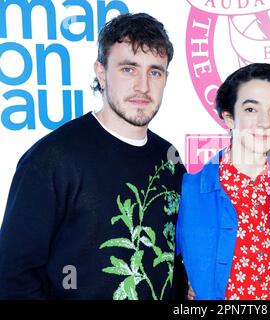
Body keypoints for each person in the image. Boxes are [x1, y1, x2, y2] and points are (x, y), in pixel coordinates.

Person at [0, 13, 186, 300]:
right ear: (101, 73)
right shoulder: (53, 158)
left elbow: (174, 260)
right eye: (128, 69)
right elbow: (13, 276)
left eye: (154, 71)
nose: (143, 86)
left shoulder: (171, 159)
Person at [177, 63, 270, 300]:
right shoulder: (189, 190)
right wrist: (181, 283)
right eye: (251, 110)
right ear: (229, 117)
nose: (265, 122)